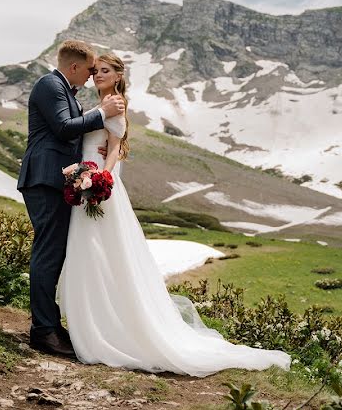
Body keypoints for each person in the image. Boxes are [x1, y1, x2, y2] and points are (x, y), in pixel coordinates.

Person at [57, 53, 291, 376]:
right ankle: (93, 324)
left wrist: (101, 179)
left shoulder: (117, 104)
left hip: (99, 189)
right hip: (85, 184)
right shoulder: (98, 104)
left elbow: (112, 148)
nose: (97, 75)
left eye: (105, 71)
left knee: (104, 256)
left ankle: (110, 330)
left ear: (118, 75)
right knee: (89, 256)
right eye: (96, 71)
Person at [17, 40, 125, 357]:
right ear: (74, 67)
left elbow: (70, 133)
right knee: (48, 254)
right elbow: (63, 128)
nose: (92, 75)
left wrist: (96, 154)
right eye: (90, 69)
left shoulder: (65, 90)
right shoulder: (50, 85)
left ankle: (50, 324)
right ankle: (43, 331)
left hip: (55, 180)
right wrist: (102, 113)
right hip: (44, 180)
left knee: (55, 253)